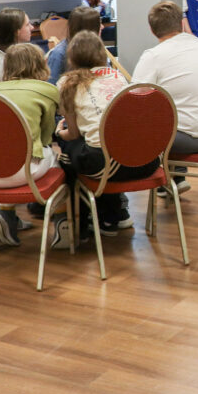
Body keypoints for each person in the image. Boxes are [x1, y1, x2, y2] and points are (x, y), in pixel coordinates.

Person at [55, 32, 160, 244]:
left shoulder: (66, 83)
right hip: (146, 160)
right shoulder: (116, 76)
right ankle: (112, 215)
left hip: (108, 167)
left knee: (70, 150)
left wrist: (58, 133)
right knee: (101, 144)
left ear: (72, 57)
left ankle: (79, 228)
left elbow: (74, 133)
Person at [132, 0, 198, 195]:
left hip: (190, 138)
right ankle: (177, 176)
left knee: (137, 126)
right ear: (180, 23)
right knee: (172, 108)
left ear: (151, 30)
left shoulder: (153, 56)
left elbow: (132, 102)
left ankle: (162, 179)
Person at [0, 43, 59, 247]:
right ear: (40, 64)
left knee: (5, 153)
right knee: (57, 160)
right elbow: (47, 138)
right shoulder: (47, 90)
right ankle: (62, 225)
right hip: (25, 171)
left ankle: (7, 216)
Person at [47, 6, 102, 85]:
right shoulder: (59, 54)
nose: (102, 27)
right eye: (99, 24)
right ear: (89, 30)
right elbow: (51, 87)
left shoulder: (98, 49)